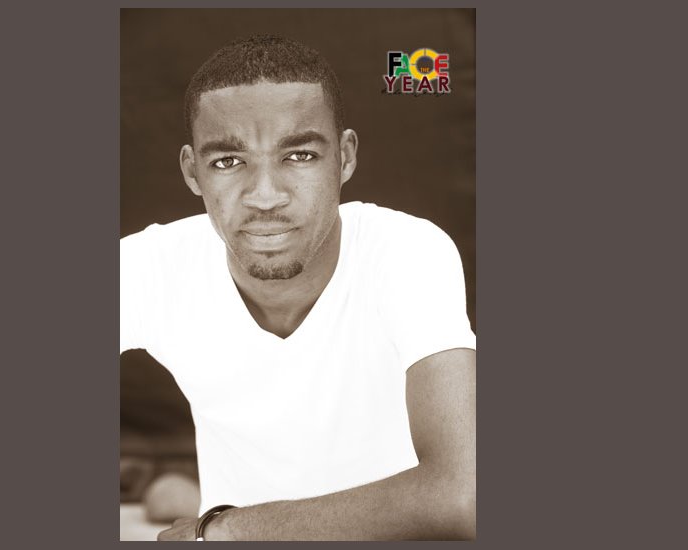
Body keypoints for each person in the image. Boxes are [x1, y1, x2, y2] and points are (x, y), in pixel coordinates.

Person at [120, 34, 476, 541]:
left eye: (300, 155)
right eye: (227, 161)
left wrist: (227, 531)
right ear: (192, 171)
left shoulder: (406, 252)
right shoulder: (153, 267)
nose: (265, 196)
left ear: (345, 158)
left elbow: (465, 495)